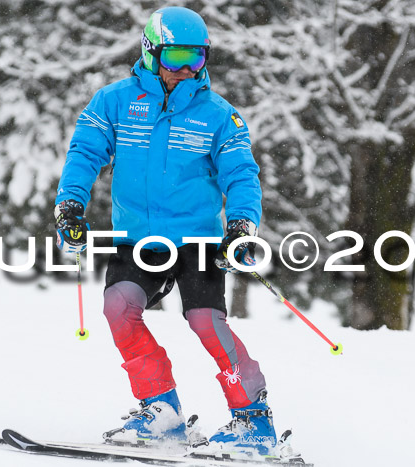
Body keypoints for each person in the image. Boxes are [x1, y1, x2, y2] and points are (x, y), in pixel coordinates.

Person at [55, 6, 276, 456]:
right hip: (138, 239)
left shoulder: (219, 115)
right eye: (175, 57)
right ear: (151, 52)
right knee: (119, 309)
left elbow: (241, 174)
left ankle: (253, 420)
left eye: (196, 59)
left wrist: (241, 226)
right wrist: (71, 204)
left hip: (199, 242)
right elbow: (85, 153)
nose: (185, 70)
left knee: (205, 322)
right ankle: (162, 412)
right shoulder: (115, 102)